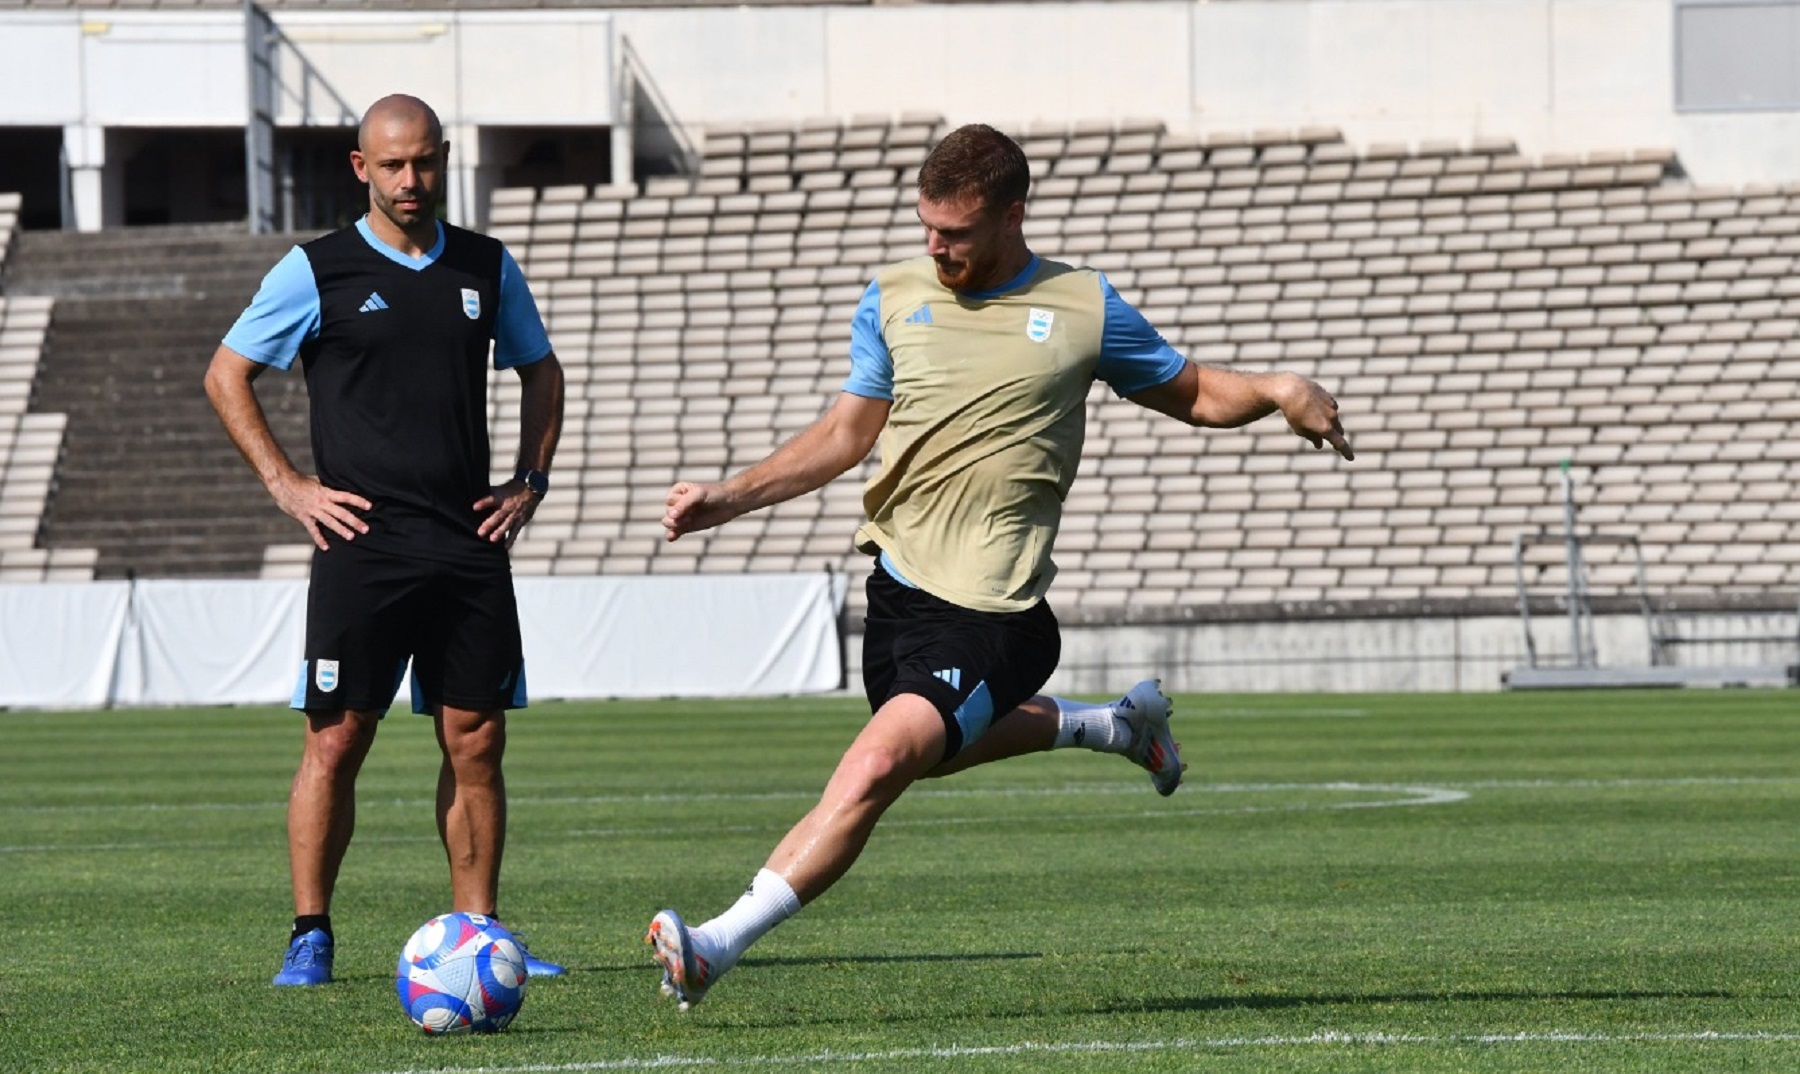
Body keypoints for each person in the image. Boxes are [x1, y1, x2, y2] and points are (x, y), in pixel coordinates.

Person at [645, 123, 1354, 1009]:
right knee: (922, 754)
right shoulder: (894, 296)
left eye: (957, 233)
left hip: (997, 613)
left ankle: (714, 945)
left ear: (1012, 215)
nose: (935, 248)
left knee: (875, 766)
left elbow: (1195, 390)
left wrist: (1281, 389)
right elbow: (844, 434)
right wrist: (730, 496)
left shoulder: (1084, 305)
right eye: (925, 228)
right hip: (898, 590)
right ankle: (1110, 728)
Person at [204, 93, 568, 986]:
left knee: (475, 739)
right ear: (361, 168)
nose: (412, 181)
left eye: (426, 163)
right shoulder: (313, 270)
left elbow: (542, 371)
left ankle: (480, 936)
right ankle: (311, 932)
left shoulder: (486, 265)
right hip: (361, 543)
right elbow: (226, 375)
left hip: (468, 540)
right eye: (393, 165)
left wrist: (529, 481)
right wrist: (288, 487)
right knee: (336, 739)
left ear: (443, 160)